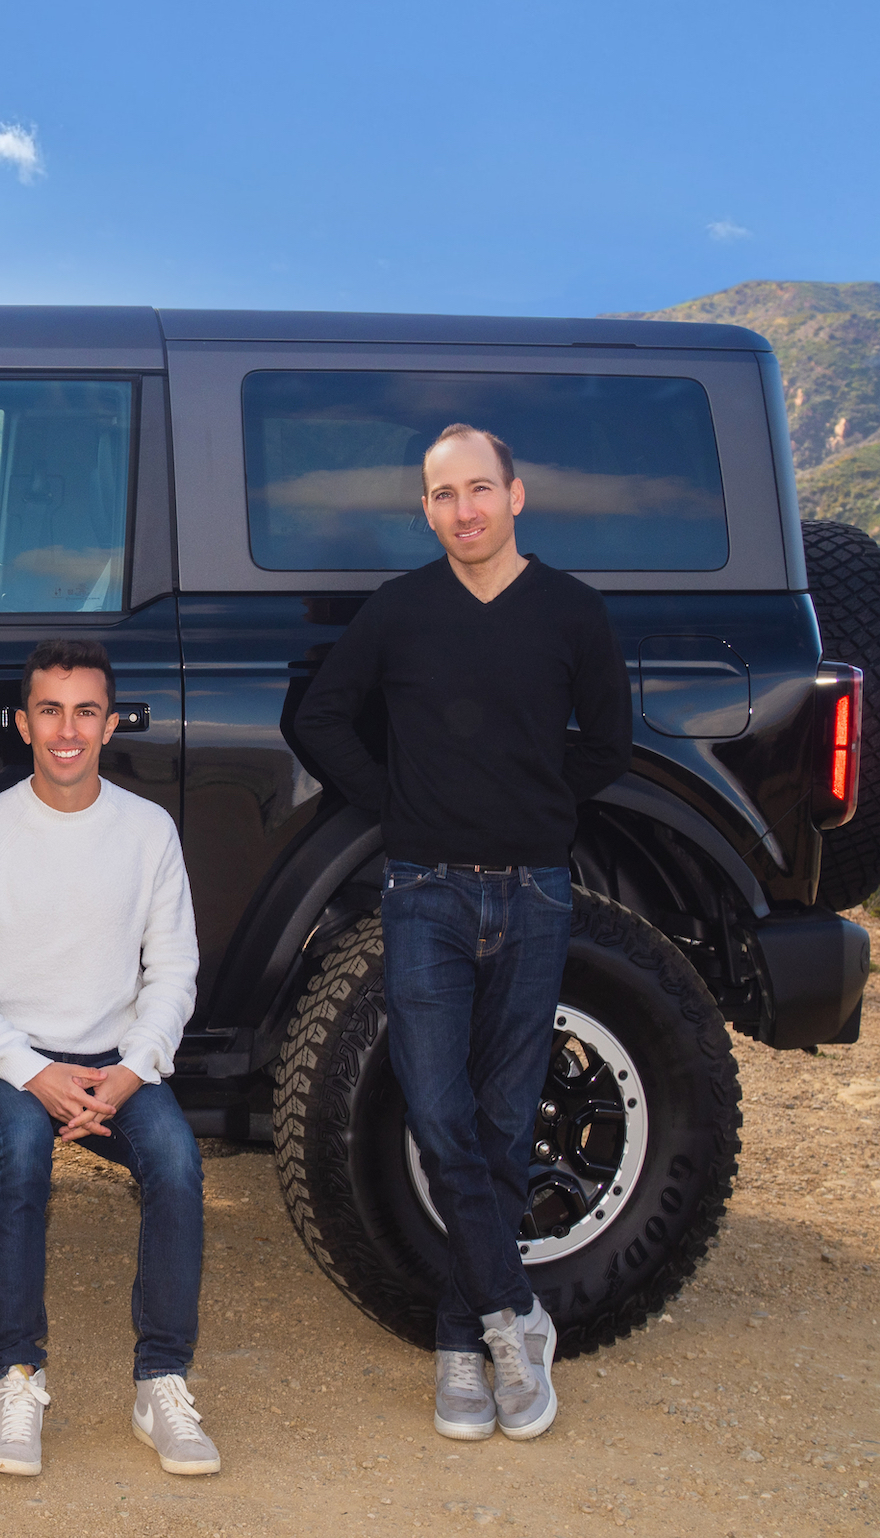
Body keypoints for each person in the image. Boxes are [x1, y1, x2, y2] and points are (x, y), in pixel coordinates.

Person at [293, 422, 633, 1443]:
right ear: (427, 509)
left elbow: (608, 743)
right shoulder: (399, 612)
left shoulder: (570, 611)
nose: (463, 510)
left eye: (478, 489)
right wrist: (399, 805)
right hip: (423, 892)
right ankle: (512, 1314)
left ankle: (458, 1339)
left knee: (497, 1118)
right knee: (437, 1114)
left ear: (515, 495)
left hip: (531, 893)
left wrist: (532, 807)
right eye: (442, 496)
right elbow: (318, 719)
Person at [0, 638, 214, 1479]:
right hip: (2, 1061)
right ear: (22, 724)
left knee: (175, 1159)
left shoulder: (147, 830)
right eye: (49, 710)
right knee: (21, 1149)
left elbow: (173, 971)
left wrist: (132, 1070)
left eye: (86, 710)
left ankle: (160, 1380)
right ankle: (17, 1380)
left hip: (117, 1059)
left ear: (110, 722)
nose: (67, 729)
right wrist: (33, 1073)